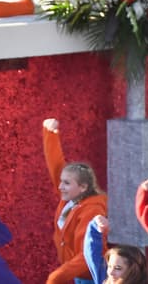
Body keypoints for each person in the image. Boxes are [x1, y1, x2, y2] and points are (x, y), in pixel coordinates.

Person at [42, 117, 107, 284]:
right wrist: (50, 134)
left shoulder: (92, 210)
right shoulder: (71, 198)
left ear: (83, 187)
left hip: (92, 277)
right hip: (79, 275)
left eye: (66, 183)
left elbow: (87, 254)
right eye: (61, 181)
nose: (60, 186)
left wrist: (57, 276)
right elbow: (56, 166)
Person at [82, 216, 148, 284]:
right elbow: (91, 253)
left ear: (133, 271)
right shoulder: (106, 279)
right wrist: (95, 225)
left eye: (118, 268)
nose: (110, 272)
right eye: (109, 266)